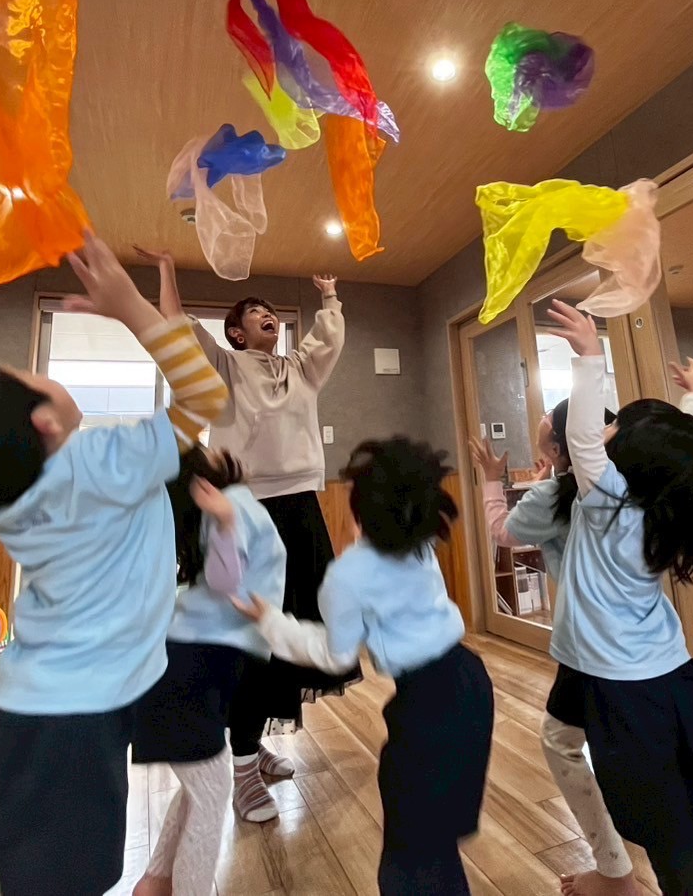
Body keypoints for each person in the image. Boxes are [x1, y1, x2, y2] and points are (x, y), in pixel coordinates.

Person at [0, 233, 228, 896]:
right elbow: (204, 397)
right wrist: (132, 309)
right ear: (42, 422)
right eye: (25, 374)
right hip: (77, 721)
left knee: (12, 868)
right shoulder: (96, 467)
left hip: (24, 707)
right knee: (59, 879)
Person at [469, 358, 693, 896]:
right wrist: (691, 403)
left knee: (612, 767)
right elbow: (683, 452)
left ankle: (621, 866)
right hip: (652, 645)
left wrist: (489, 481)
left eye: (546, 441)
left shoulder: (577, 497)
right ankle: (636, 855)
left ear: (568, 449)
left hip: (600, 652)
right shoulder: (647, 489)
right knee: (588, 746)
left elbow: (503, 533)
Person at [140, 249, 360, 822]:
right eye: (254, 311)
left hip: (302, 507)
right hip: (247, 511)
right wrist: (167, 271)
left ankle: (250, 746)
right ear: (235, 332)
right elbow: (174, 326)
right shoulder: (224, 365)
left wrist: (330, 295)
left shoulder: (300, 368)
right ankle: (241, 769)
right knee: (249, 645)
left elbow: (328, 337)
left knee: (288, 642)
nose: (268, 315)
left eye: (271, 311)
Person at [544, 301, 693, 896]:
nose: (606, 431)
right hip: (647, 667)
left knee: (671, 829)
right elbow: (682, 457)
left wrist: (589, 357)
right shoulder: (664, 505)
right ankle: (614, 872)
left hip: (619, 681)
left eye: (618, 429)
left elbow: (582, 438)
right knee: (567, 743)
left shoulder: (608, 504)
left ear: (628, 457)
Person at [235, 437, 494, 896]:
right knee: (437, 835)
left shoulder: (348, 575)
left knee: (409, 855)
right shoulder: (421, 546)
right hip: (472, 682)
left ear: (359, 515)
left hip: (426, 703)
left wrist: (271, 622)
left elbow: (335, 654)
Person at [130, 444, 287, 896]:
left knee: (200, 786)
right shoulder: (231, 506)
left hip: (185, 666)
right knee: (211, 791)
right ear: (201, 481)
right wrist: (226, 521)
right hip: (189, 670)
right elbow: (225, 581)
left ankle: (156, 881)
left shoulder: (222, 510)